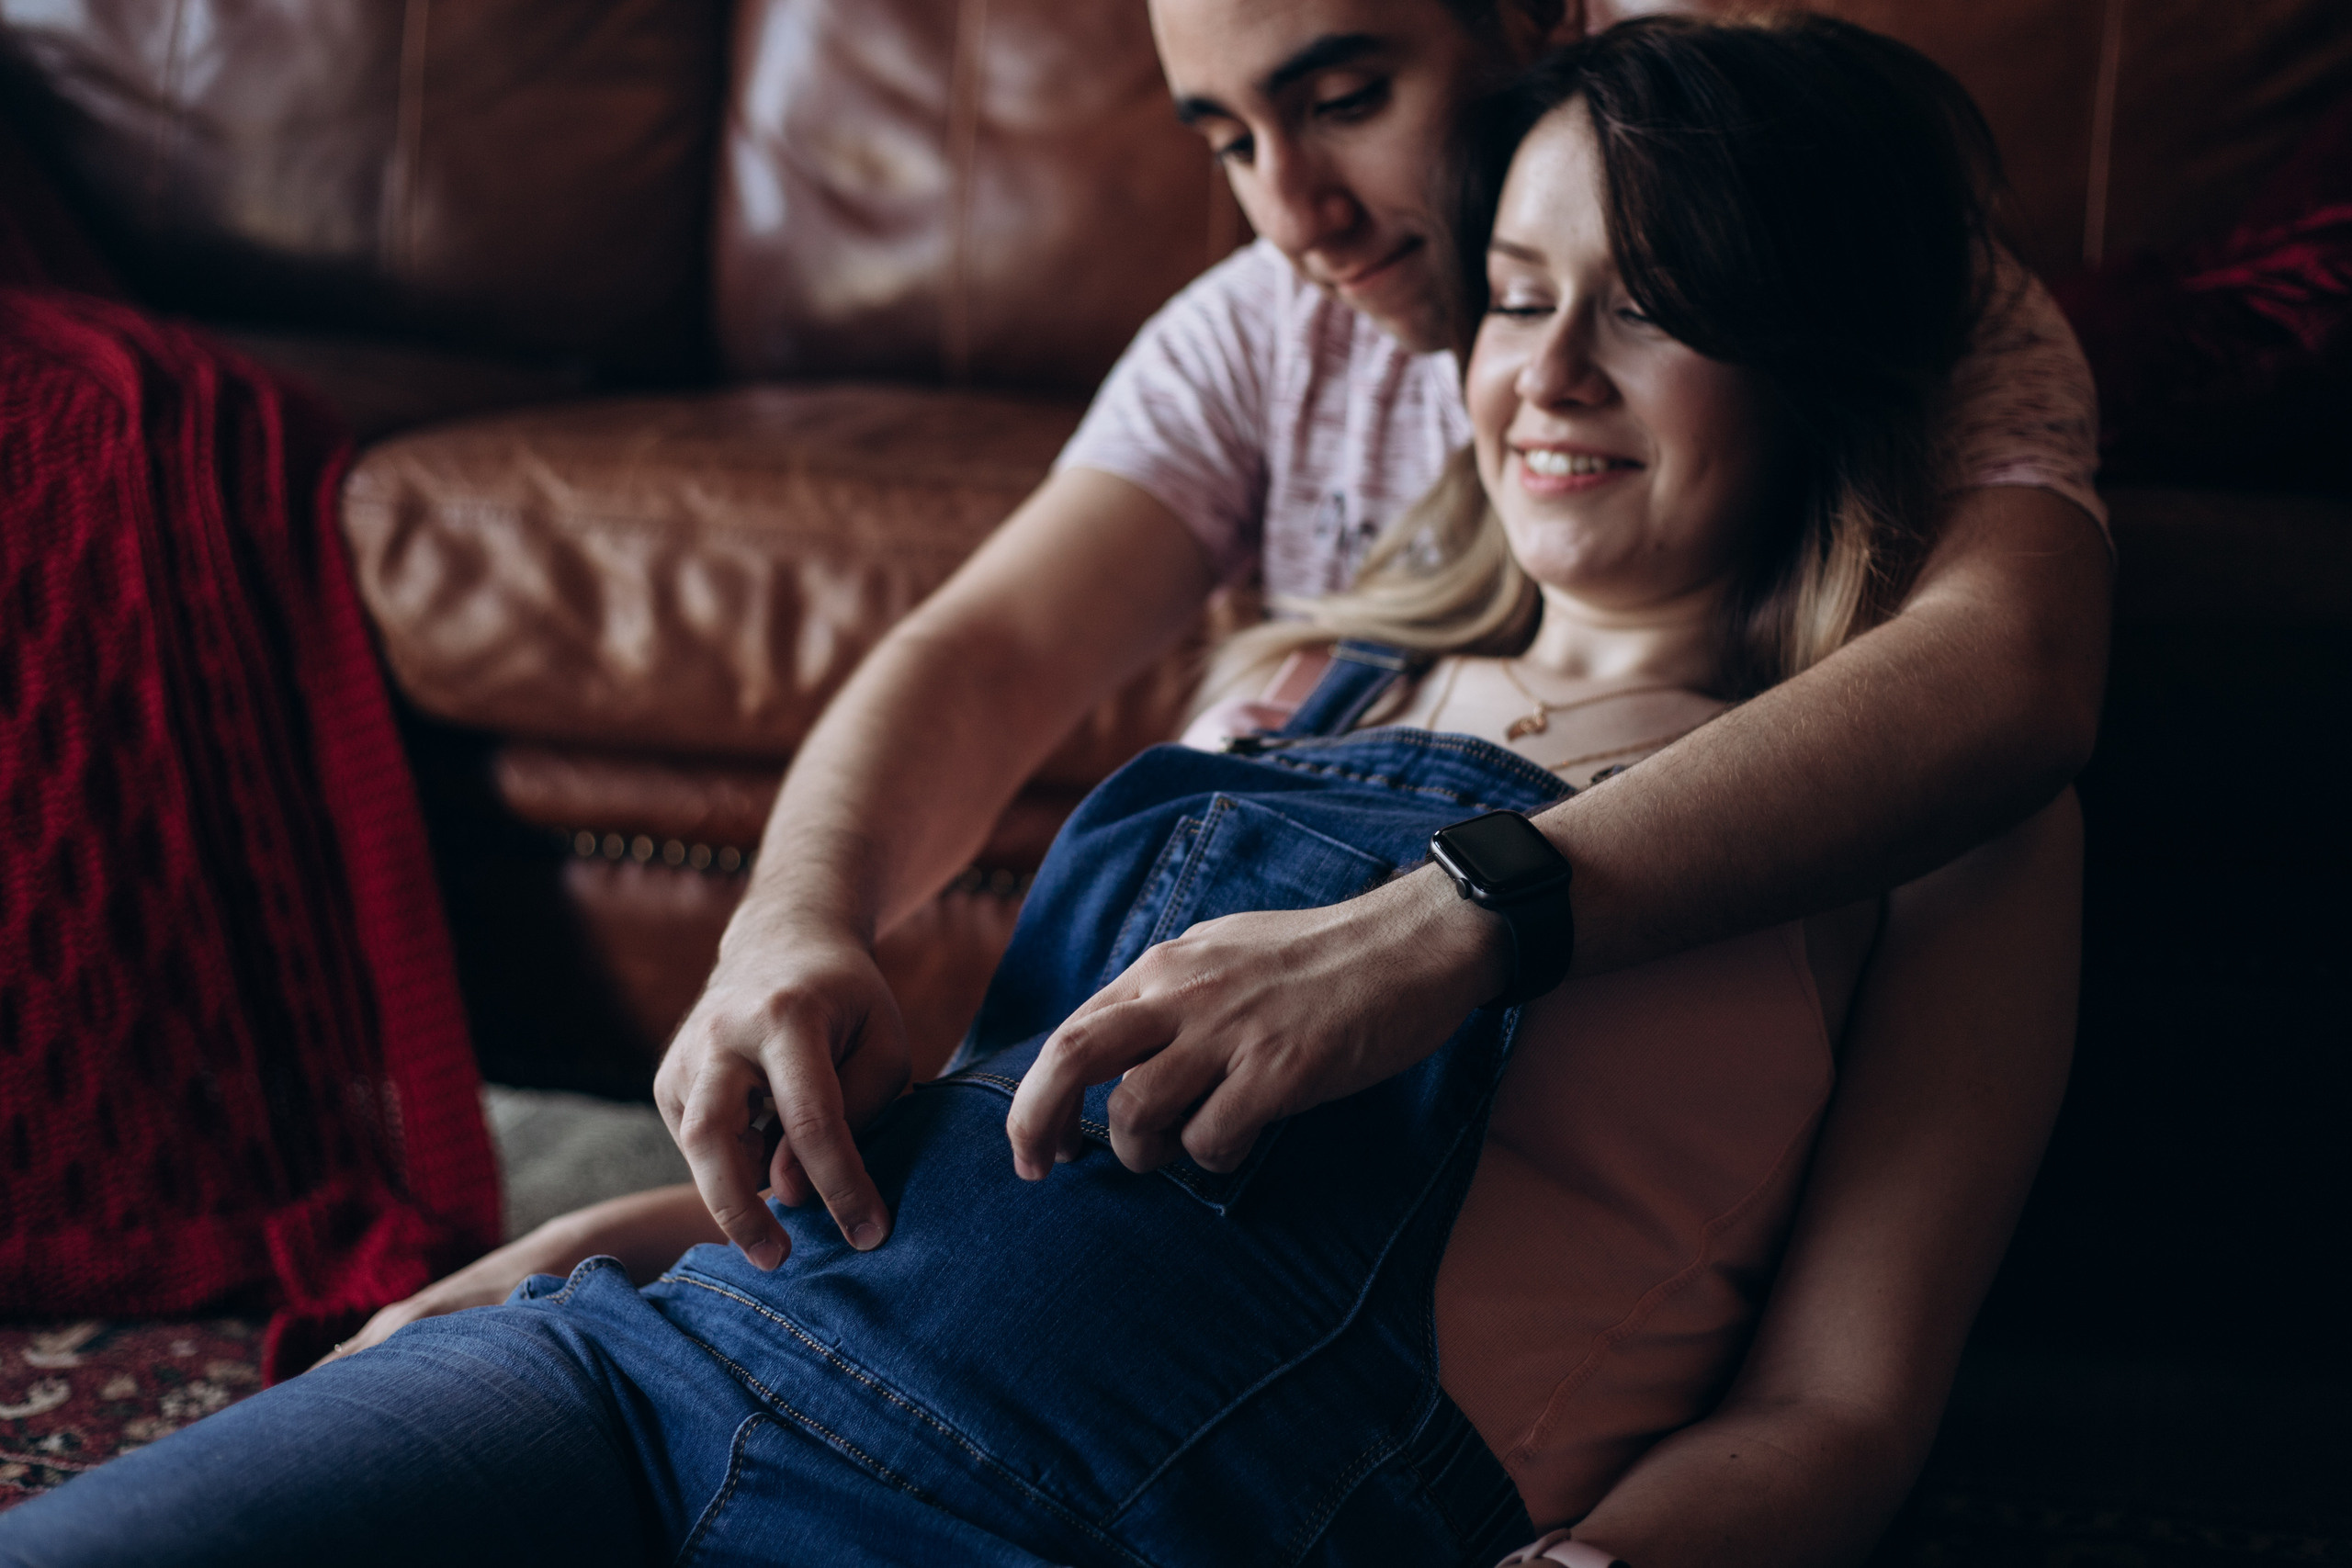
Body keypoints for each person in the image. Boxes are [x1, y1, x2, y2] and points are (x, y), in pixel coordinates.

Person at [0, 19, 2078, 1568]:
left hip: (1109, 1517)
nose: (1539, 373)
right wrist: (580, 1252)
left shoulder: (1923, 809)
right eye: (1522, 298)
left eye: (1648, 313)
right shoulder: (1292, 673)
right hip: (666, 1370)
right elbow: (996, 1130)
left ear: (1808, 354)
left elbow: (1836, 1397)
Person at [655, 0, 2108, 1280]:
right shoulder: (1263, 329)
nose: (1293, 215)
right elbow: (984, 652)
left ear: (1543, 20)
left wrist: (1434, 927)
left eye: (1346, 103)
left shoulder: (1881, 265)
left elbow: (2011, 673)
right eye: (1227, 140)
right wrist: (793, 920)